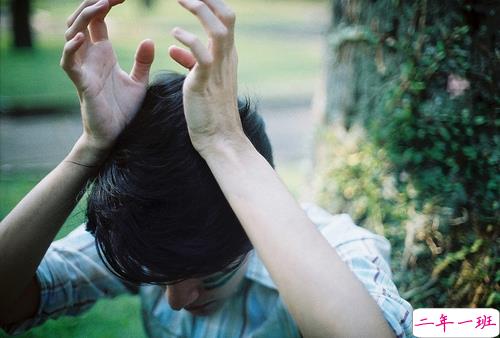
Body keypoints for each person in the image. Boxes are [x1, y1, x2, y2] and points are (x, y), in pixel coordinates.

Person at [0, 0, 414, 337]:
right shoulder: (150, 237)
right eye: (158, 278)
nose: (178, 299)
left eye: (208, 276)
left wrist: (225, 142)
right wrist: (90, 148)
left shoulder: (341, 250)